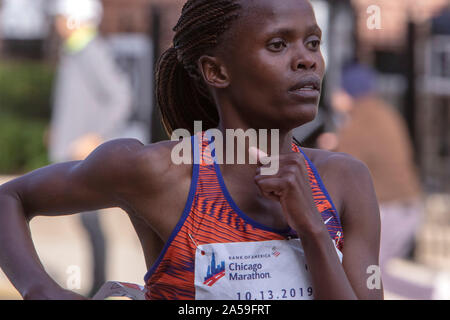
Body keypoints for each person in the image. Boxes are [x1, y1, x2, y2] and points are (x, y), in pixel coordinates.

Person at [0, 0, 383, 300]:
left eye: (313, 42)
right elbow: (10, 197)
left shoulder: (345, 179)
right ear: (216, 72)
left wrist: (312, 229)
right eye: (278, 44)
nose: (307, 59)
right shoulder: (160, 172)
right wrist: (39, 288)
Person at [47, 0, 133, 297]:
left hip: (83, 156)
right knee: (88, 223)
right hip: (73, 153)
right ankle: (97, 284)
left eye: (61, 16)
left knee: (91, 222)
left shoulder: (90, 51)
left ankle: (99, 285)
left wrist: (94, 136)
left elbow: (121, 97)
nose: (57, 22)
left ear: (74, 19)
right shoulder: (76, 51)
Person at [318, 63, 424, 298]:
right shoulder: (385, 113)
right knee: (374, 272)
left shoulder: (356, 126)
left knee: (370, 275)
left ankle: (437, 292)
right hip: (408, 205)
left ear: (347, 94)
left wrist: (328, 151)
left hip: (390, 209)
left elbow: (343, 173)